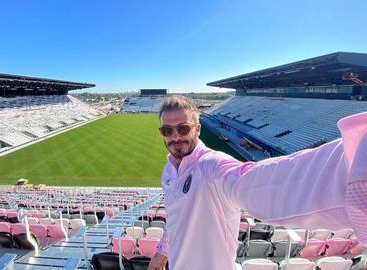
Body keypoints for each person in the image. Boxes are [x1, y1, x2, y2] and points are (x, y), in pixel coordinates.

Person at [148, 95, 367, 270]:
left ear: (197, 129)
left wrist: (354, 162)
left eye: (183, 128)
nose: (175, 136)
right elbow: (174, 216)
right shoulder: (169, 171)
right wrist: (162, 251)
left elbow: (259, 182)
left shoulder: (212, 165)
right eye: (167, 130)